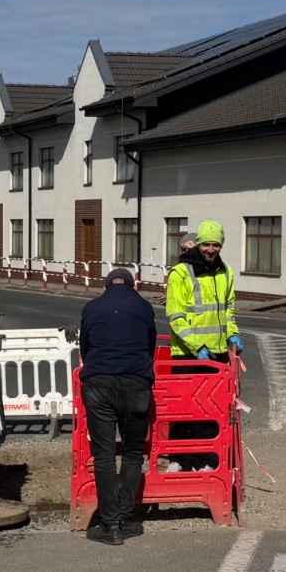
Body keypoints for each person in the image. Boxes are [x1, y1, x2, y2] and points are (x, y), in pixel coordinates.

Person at [78, 265, 156, 545]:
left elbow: (84, 347)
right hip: (136, 383)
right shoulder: (145, 307)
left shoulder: (92, 307)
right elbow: (150, 347)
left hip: (99, 384)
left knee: (105, 455)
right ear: (134, 286)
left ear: (106, 287)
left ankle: (109, 526)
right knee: (133, 453)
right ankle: (125, 519)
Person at [165, 220, 244, 368]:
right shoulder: (180, 273)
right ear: (198, 244)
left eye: (216, 245)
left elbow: (228, 310)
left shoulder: (226, 272)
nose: (211, 249)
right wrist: (197, 347)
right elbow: (176, 317)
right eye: (206, 244)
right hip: (187, 354)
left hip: (218, 353)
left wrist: (233, 333)